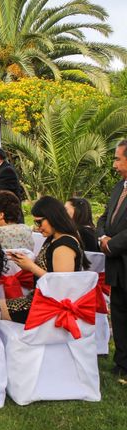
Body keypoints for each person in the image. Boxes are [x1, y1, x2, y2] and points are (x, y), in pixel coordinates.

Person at [0, 196, 89, 324]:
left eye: (39, 222)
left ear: (52, 217)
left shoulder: (64, 245)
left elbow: (61, 287)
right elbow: (49, 266)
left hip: (47, 308)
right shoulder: (55, 238)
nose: (37, 227)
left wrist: (31, 267)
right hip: (39, 300)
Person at [97, 139, 127, 378]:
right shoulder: (118, 187)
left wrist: (111, 244)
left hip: (120, 254)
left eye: (118, 158)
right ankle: (122, 363)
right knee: (118, 312)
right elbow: (103, 218)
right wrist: (101, 238)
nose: (114, 164)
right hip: (116, 264)